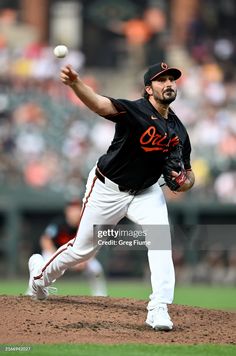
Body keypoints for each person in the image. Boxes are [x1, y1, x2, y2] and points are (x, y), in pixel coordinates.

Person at [27, 62, 195, 331]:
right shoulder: (135, 110)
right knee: (83, 250)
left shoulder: (179, 130)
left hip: (147, 192)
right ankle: (39, 276)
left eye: (172, 79)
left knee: (161, 241)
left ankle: (159, 307)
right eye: (161, 80)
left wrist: (184, 183)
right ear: (148, 88)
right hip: (108, 187)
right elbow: (99, 104)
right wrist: (75, 84)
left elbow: (188, 174)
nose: (169, 84)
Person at [26, 199, 107, 297]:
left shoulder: (85, 225)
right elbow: (45, 240)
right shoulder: (59, 223)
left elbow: (95, 244)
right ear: (67, 211)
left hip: (78, 258)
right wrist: (55, 257)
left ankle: (100, 296)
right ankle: (34, 291)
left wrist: (85, 260)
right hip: (56, 255)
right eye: (71, 209)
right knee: (44, 262)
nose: (74, 212)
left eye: (76, 209)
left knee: (95, 268)